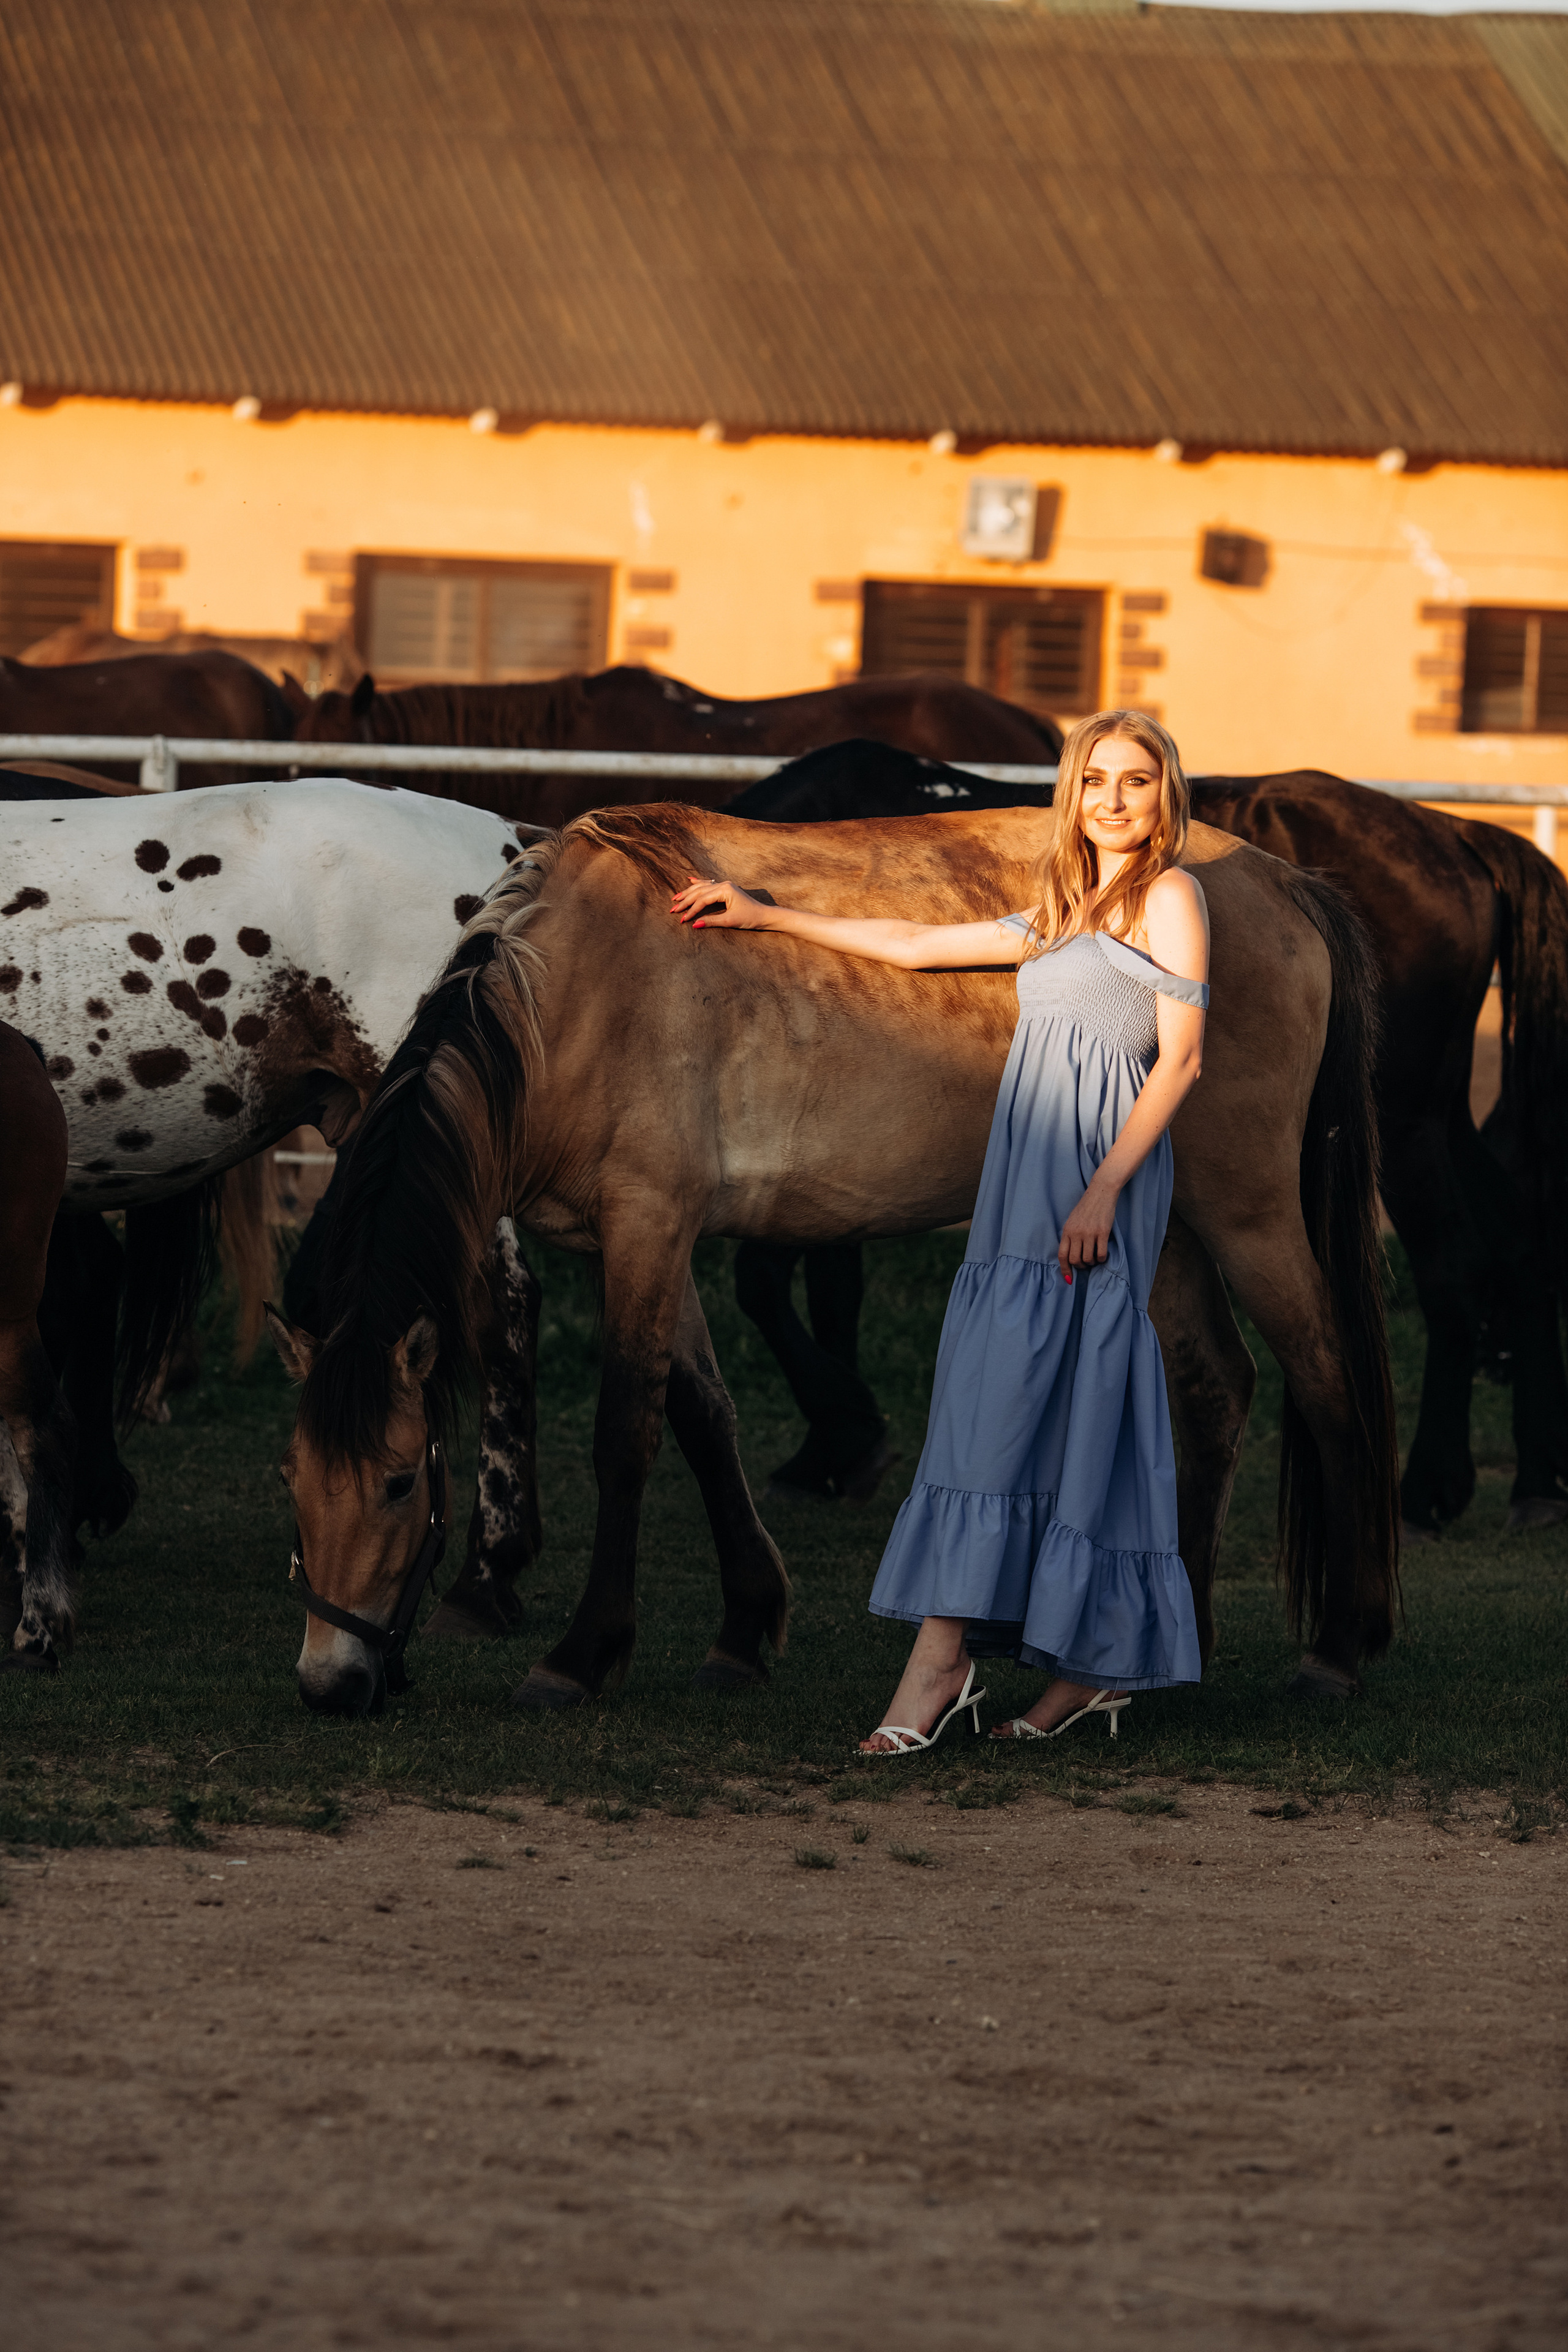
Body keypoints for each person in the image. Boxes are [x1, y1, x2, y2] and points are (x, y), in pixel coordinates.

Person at [671, 709, 1208, 1752]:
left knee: (1072, 1397)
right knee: (1011, 1399)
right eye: (1095, 780)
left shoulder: (1171, 897)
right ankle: (1079, 1667)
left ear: (1164, 794)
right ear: (1073, 795)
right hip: (1023, 1179)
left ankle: (947, 1662)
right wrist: (766, 915)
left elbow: (1179, 1060)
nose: (1113, 800)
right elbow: (915, 946)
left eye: (1135, 782)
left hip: (1098, 1172)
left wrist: (1103, 1191)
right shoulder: (1065, 904)